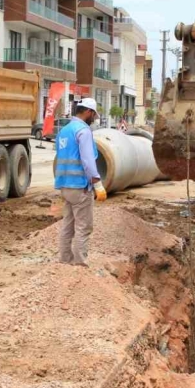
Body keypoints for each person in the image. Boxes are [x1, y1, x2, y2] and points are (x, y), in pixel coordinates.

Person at [54, 98, 107, 265]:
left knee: (67, 226)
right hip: (80, 186)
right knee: (83, 227)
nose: (94, 119)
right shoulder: (83, 131)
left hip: (64, 185)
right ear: (88, 112)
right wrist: (97, 183)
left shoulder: (64, 130)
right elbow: (88, 160)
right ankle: (80, 266)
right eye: (93, 115)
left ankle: (64, 261)